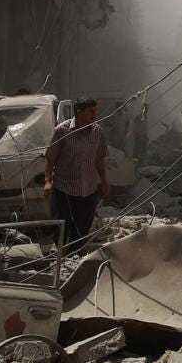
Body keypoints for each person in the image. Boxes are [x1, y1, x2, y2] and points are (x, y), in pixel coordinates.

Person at [44, 98, 109, 253]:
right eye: (91, 111)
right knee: (61, 223)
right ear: (79, 112)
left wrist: (105, 182)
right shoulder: (62, 130)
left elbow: (99, 160)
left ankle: (75, 255)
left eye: (95, 110)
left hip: (88, 188)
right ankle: (57, 250)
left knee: (82, 226)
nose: (95, 115)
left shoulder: (97, 132)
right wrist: (48, 181)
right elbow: (51, 158)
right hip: (64, 187)